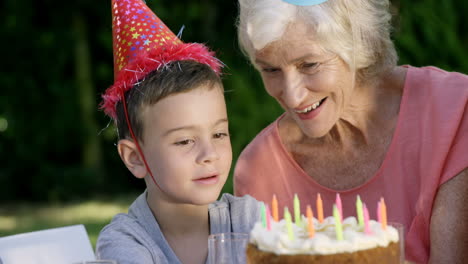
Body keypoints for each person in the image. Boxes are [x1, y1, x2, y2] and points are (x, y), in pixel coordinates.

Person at [234, 0, 468, 263]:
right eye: (271, 70)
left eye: (309, 65)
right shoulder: (260, 170)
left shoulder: (454, 112)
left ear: (357, 44)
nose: (292, 95)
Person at [95, 1, 260, 263]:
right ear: (135, 158)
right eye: (184, 141)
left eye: (218, 134)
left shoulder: (249, 221)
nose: (209, 155)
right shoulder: (124, 243)